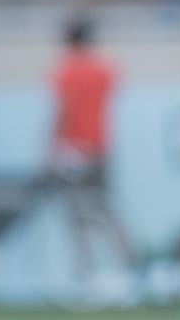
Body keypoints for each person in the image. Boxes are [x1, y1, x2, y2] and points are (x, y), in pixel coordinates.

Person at [49, 16, 134, 276]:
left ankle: (86, 270)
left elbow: (65, 110)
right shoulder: (105, 70)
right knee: (106, 208)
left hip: (73, 149)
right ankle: (128, 264)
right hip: (101, 146)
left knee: (77, 214)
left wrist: (53, 144)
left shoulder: (65, 71)